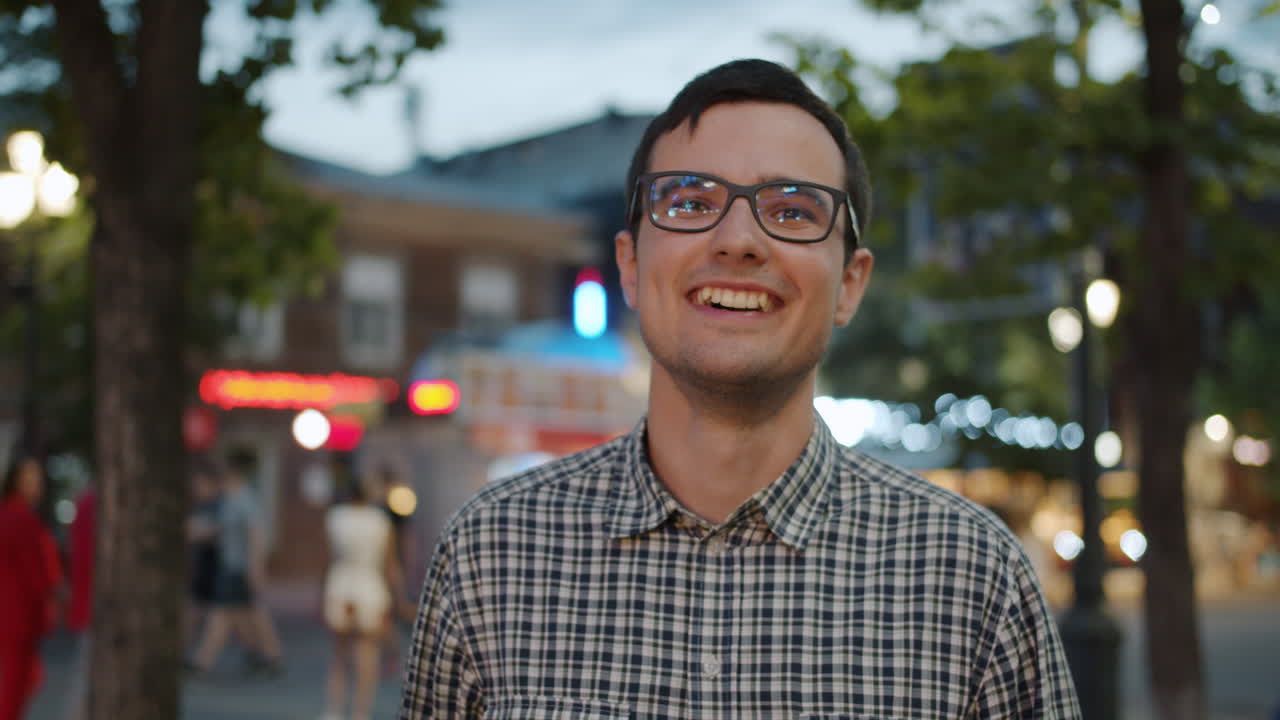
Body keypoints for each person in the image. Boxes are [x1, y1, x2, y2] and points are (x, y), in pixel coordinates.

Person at [399, 59, 1080, 719]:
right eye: (691, 202)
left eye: (791, 212)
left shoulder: (972, 576)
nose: (738, 240)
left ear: (850, 283)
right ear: (630, 267)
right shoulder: (492, 553)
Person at [320, 472, 406, 720]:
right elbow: (389, 564)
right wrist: (397, 597)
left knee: (339, 654)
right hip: (370, 586)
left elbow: (327, 559)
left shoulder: (335, 517)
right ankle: (360, 712)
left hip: (340, 583)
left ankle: (334, 711)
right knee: (367, 654)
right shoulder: (380, 521)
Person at [189, 460, 283, 677]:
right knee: (247, 614)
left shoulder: (243, 500)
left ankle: (204, 661)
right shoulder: (232, 501)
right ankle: (267, 655)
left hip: (238, 567)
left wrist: (256, 567)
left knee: (224, 614)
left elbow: (256, 535)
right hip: (232, 565)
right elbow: (222, 530)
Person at [0, 454, 63, 720]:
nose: (35, 485)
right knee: (12, 686)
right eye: (29, 479)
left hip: (13, 612)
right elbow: (40, 574)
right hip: (17, 615)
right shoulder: (21, 519)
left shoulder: (15, 516)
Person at [63, 479, 97, 720]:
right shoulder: (95, 504)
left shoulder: (85, 502)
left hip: (88, 597)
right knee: (90, 674)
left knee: (88, 672)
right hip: (98, 601)